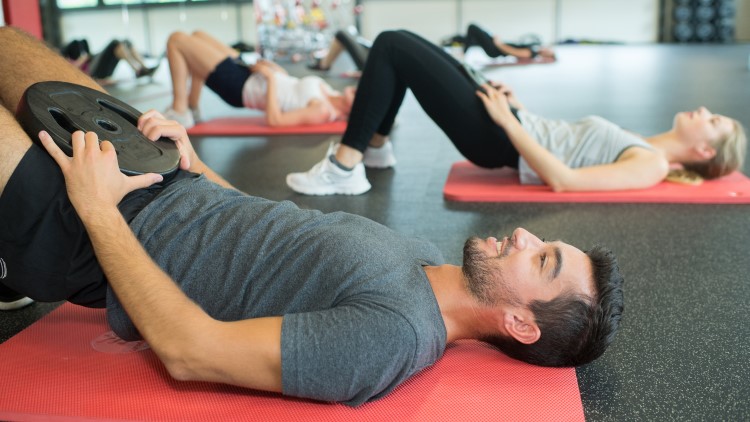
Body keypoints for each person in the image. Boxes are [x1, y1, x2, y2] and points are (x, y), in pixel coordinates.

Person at [0, 27, 624, 406]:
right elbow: (257, 224)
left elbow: (192, 351)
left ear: (519, 323)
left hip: (84, 231)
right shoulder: (424, 260)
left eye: (541, 259)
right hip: (157, 178)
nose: (524, 234)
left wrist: (97, 207)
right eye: (544, 241)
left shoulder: (393, 336)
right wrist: (191, 163)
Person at [286, 30, 746, 196]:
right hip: (511, 123)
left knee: (391, 45)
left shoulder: (652, 163)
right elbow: (565, 140)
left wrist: (508, 121)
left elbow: (566, 180)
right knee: (408, 46)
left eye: (715, 120)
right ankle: (375, 151)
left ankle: (346, 165)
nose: (705, 110)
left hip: (499, 139)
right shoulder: (645, 142)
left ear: (705, 148)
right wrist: (520, 107)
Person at [164, 30, 356, 129]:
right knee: (198, 35)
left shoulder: (323, 110)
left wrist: (271, 79)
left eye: (360, 97)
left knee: (177, 40)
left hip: (239, 87)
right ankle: (193, 107)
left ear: (353, 110)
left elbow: (275, 120)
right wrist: (274, 70)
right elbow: (291, 88)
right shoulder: (330, 91)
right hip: (252, 74)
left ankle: (180, 110)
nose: (358, 91)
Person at [443, 23, 556, 60]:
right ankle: (456, 43)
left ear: (546, 55)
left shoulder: (531, 53)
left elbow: (513, 51)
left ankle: (463, 53)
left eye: (548, 52)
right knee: (471, 37)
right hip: (497, 47)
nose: (546, 49)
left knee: (472, 27)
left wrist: (498, 43)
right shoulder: (534, 48)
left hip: (495, 50)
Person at [61, 38, 158, 81]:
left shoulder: (84, 51)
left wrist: (86, 57)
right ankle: (138, 71)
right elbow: (74, 73)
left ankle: (144, 68)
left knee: (125, 42)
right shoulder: (68, 61)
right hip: (94, 72)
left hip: (98, 66)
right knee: (114, 42)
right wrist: (82, 60)